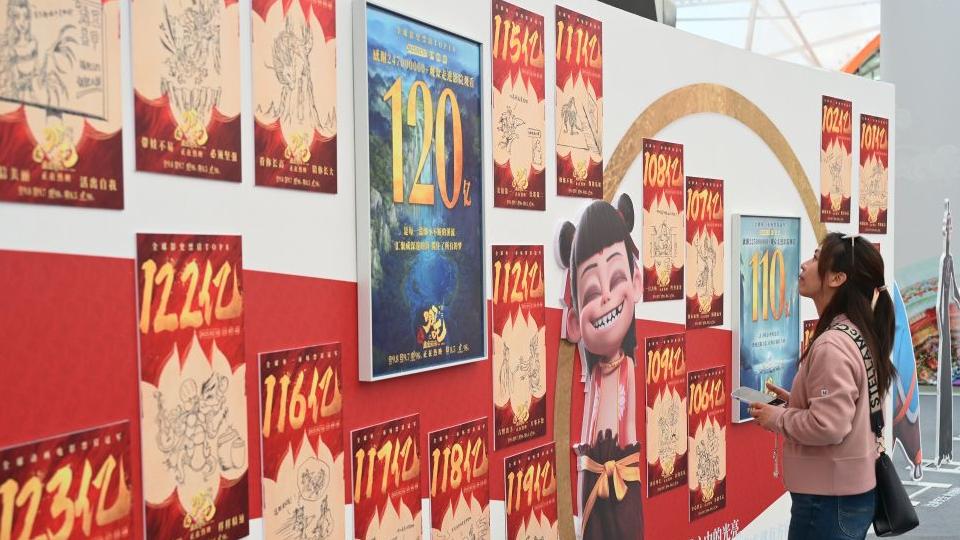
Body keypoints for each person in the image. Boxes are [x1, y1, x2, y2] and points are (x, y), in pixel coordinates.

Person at [749, 232, 895, 540]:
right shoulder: (855, 332)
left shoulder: (832, 344)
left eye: (816, 259)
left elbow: (829, 427)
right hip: (842, 495)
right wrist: (797, 402)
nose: (804, 265)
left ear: (837, 278)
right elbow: (846, 410)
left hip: (827, 502)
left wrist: (778, 418)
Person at [558, 194, 644, 539]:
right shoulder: (593, 374)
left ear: (636, 284)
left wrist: (621, 458)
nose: (606, 297)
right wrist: (588, 461)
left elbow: (628, 428)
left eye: (617, 278)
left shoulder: (627, 369)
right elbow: (591, 421)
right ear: (574, 322)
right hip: (593, 471)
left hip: (623, 473)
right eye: (592, 294)